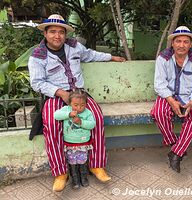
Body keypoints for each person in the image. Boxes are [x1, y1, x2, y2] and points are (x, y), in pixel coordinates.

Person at [28, 14, 126, 192]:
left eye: (61, 32)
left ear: (65, 34)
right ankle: (60, 173)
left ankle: (96, 165)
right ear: (45, 33)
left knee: (95, 118)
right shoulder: (37, 56)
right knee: (52, 123)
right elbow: (37, 82)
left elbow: (90, 55)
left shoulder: (74, 47)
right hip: (56, 96)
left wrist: (111, 57)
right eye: (53, 32)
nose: (57, 36)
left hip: (79, 95)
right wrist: (60, 92)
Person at [150, 26, 192, 173]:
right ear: (173, 43)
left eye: (185, 42)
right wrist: (171, 100)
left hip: (189, 97)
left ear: (190, 44)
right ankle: (177, 145)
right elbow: (159, 84)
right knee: (159, 113)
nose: (182, 45)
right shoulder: (163, 58)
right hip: (168, 95)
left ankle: (175, 153)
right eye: (178, 41)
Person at [54, 89, 95, 189]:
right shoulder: (66, 109)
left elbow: (92, 124)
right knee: (72, 162)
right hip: (70, 143)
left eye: (82, 105)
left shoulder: (87, 113)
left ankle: (84, 178)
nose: (79, 108)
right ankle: (75, 180)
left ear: (86, 104)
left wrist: (81, 122)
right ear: (70, 103)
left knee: (83, 161)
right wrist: (68, 114)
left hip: (83, 143)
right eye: (75, 105)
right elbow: (56, 115)